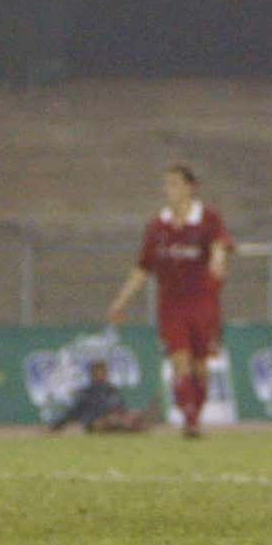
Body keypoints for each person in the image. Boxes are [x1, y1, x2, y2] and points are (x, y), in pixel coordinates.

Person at [107, 164, 232, 438]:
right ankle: (189, 422)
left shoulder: (208, 219)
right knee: (180, 362)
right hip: (172, 305)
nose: (169, 190)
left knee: (201, 368)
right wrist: (121, 301)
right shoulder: (157, 227)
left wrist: (218, 259)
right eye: (167, 184)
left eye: (175, 184)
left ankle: (194, 415)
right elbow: (142, 269)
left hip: (203, 303)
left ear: (190, 187)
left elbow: (219, 245)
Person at [47, 360, 158, 433]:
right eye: (98, 372)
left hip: (115, 418)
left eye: (103, 372)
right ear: (92, 374)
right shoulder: (87, 392)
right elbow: (72, 412)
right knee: (105, 423)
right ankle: (125, 427)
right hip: (95, 422)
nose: (101, 375)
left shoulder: (112, 390)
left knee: (130, 417)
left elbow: (122, 407)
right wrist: (57, 425)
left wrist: (123, 414)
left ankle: (132, 424)